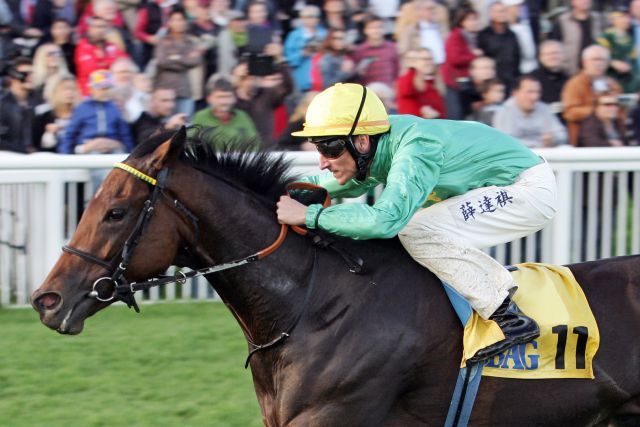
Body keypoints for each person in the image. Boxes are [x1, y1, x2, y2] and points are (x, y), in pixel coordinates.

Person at [276, 82, 558, 363]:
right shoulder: (377, 140)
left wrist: (308, 215)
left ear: (361, 141)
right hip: (499, 185)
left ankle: (508, 317)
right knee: (413, 232)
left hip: (527, 190)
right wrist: (283, 191)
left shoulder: (416, 147)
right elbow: (338, 183)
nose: (323, 162)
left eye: (330, 149)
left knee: (415, 229)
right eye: (319, 148)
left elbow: (384, 221)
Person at [58, 69, 134, 154]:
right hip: (87, 146)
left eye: (107, 88)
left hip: (111, 147)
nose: (104, 92)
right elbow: (70, 133)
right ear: (91, 89)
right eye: (101, 88)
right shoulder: (82, 108)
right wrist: (65, 155)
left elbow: (124, 133)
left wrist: (128, 150)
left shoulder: (114, 108)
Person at [562, 44, 622, 146]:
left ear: (607, 63)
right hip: (583, 137)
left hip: (611, 134)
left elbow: (620, 111)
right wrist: (596, 111)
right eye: (594, 60)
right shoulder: (575, 84)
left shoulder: (613, 85)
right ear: (584, 62)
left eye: (602, 60)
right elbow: (569, 112)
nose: (598, 64)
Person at [153, 6, 203, 117]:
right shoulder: (163, 41)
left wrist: (174, 58)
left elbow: (195, 61)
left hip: (184, 90)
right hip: (164, 89)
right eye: (174, 20)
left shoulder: (191, 42)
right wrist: (184, 60)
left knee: (184, 127)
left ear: (186, 22)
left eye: (180, 19)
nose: (178, 23)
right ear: (169, 22)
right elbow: (161, 61)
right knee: (165, 127)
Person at [493, 75, 567, 148]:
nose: (535, 97)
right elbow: (507, 142)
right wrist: (540, 143)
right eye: (529, 92)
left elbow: (562, 135)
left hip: (545, 156)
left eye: (537, 92)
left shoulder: (544, 108)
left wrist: (553, 139)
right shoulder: (504, 111)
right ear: (515, 93)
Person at [191, 74, 259, 148]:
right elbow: (191, 142)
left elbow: (255, 143)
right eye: (220, 97)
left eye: (228, 97)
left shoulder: (242, 116)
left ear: (235, 98)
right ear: (209, 98)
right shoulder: (200, 116)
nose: (224, 102)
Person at [441, 6, 482, 120]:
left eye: (475, 19)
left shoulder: (472, 37)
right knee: (457, 116)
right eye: (470, 19)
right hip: (455, 83)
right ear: (462, 21)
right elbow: (455, 58)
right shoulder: (456, 36)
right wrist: (474, 55)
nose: (474, 23)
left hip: (466, 82)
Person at [75, 16, 129, 97]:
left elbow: (126, 63)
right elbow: (92, 71)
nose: (100, 30)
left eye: (103, 27)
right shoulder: (82, 46)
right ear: (89, 29)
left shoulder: (111, 46)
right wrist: (109, 65)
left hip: (112, 92)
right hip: (89, 93)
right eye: (97, 27)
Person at [550, 0, 605, 76]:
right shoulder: (562, 21)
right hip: (570, 71)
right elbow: (554, 45)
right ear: (573, 1)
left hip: (595, 71)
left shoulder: (599, 20)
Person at [478, 1, 520, 93]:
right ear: (491, 13)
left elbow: (517, 57)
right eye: (497, 11)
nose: (501, 14)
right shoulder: (483, 35)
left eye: (503, 11)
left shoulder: (512, 35)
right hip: (492, 82)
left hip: (511, 80)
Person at [283, 5, 326, 92]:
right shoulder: (294, 36)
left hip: (323, 81)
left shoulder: (325, 34)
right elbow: (288, 59)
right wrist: (302, 54)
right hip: (301, 82)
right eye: (310, 16)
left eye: (316, 16)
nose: (314, 19)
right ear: (302, 18)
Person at [596, 8, 639, 94]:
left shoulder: (629, 39)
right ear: (613, 20)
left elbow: (634, 62)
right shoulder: (605, 37)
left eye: (627, 17)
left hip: (627, 81)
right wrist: (612, 62)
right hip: (609, 80)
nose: (625, 20)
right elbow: (597, 56)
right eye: (622, 17)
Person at [33, 74, 79, 152]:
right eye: (65, 89)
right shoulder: (43, 117)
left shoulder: (81, 116)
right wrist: (49, 135)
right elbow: (36, 145)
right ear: (53, 91)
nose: (70, 92)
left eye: (73, 89)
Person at [396, 47, 445, 119]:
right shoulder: (406, 79)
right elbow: (407, 91)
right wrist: (413, 70)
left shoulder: (432, 83)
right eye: (425, 59)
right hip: (414, 127)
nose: (429, 62)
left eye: (431, 59)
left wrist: (436, 115)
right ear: (414, 62)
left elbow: (442, 113)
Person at [0, 57, 36, 153]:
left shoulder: (37, 104)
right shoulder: (2, 105)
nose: (31, 77)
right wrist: (23, 150)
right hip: (9, 160)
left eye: (33, 74)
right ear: (14, 76)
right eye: (26, 74)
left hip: (36, 160)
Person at [352, 15, 399, 87]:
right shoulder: (360, 50)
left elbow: (397, 70)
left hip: (389, 90)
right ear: (365, 30)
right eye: (372, 28)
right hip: (368, 91)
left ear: (384, 29)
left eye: (379, 27)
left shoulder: (392, 47)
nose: (376, 30)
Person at [529, 40, 569, 106]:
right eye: (548, 54)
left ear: (564, 56)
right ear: (540, 57)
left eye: (556, 53)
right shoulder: (530, 80)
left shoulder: (570, 80)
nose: (553, 56)